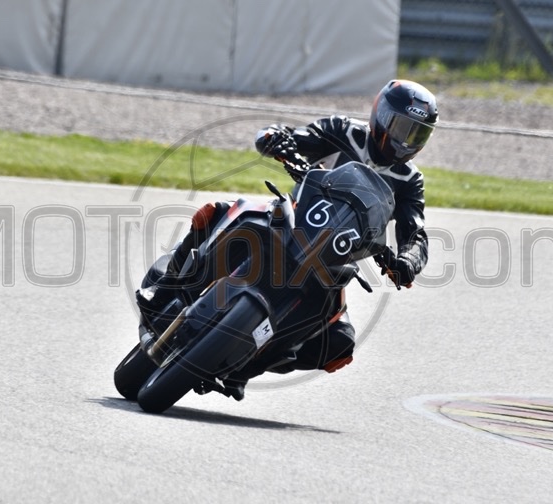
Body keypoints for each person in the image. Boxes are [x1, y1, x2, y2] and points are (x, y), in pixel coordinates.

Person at [138, 79, 439, 400]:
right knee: (221, 212)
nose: (406, 141)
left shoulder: (410, 181)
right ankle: (165, 288)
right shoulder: (344, 131)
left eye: (417, 134)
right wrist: (277, 139)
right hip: (290, 219)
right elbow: (295, 136)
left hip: (333, 260)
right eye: (402, 128)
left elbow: (415, 233)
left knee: (340, 343)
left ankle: (245, 366)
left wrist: (408, 260)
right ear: (381, 116)